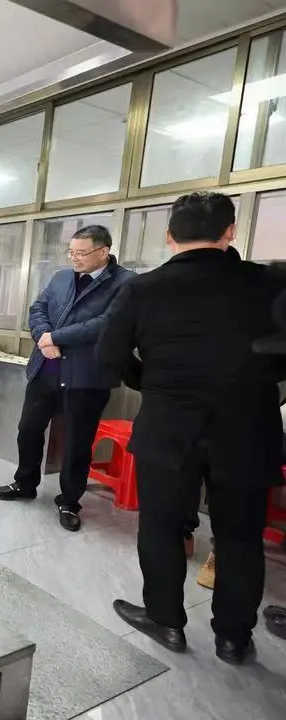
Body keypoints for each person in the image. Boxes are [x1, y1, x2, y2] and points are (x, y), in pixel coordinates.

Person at [98, 192, 286, 665]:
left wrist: (152, 383)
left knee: (160, 525)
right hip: (248, 429)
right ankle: (233, 637)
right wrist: (258, 381)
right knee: (240, 536)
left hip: (168, 426)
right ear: (230, 232)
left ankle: (166, 621)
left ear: (169, 236)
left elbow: (109, 355)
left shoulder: (143, 289)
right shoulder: (270, 283)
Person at [0, 225, 134, 532]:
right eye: (71, 252)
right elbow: (38, 308)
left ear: (103, 252)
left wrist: (56, 337)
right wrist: (44, 337)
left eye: (82, 253)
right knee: (28, 429)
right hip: (46, 370)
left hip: (87, 377)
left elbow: (107, 324)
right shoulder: (61, 277)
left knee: (77, 442)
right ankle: (25, 483)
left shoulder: (125, 283)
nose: (75, 258)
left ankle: (69, 500)